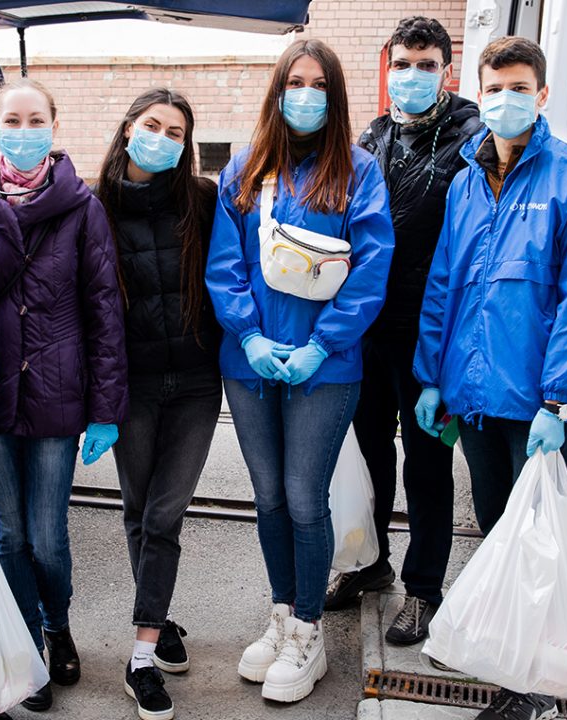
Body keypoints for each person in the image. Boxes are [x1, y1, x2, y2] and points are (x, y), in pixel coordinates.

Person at [413, 36, 567, 720]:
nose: (505, 98)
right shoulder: (466, 183)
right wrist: (433, 379)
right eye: (494, 87)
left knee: (538, 548)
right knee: (497, 526)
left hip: (538, 405)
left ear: (541, 94)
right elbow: (445, 285)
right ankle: (506, 653)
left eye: (518, 87)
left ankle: (536, 691)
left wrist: (560, 400)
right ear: (479, 91)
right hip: (476, 397)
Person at [207, 39, 394, 704]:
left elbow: (372, 269)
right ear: (278, 91)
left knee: (303, 497)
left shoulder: (359, 172)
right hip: (252, 363)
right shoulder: (247, 168)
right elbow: (224, 264)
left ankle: (309, 634)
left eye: (319, 83)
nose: (307, 94)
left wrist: (323, 343)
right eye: (296, 81)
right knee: (267, 499)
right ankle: (283, 613)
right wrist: (251, 336)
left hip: (326, 366)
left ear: (335, 96)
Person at [0, 78, 128, 714]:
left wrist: (106, 410)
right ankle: (26, 647)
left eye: (36, 120)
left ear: (53, 128)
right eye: (12, 119)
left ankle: (57, 625)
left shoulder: (82, 208)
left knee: (47, 536)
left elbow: (104, 311)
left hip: (58, 396)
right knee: (8, 534)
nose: (24, 130)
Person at [326, 16, 484, 647]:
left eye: (426, 66)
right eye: (402, 66)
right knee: (369, 456)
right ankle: (369, 565)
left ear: (446, 70)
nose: (412, 77)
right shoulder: (373, 135)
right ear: (386, 69)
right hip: (370, 330)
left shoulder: (470, 141)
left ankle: (422, 591)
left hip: (431, 337)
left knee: (427, 467)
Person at [94, 87, 221, 720]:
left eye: (176, 132)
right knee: (139, 512)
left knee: (165, 513)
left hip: (197, 383)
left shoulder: (203, 200)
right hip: (133, 387)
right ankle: (161, 617)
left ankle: (140, 658)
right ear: (127, 129)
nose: (163, 139)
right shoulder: (95, 208)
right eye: (153, 126)